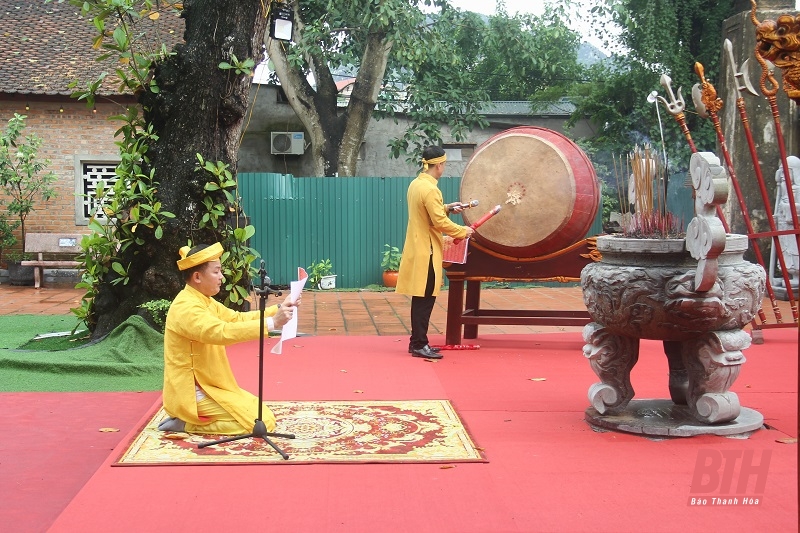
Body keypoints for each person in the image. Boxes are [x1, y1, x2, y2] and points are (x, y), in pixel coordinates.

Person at [158, 242, 298, 434]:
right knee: (256, 425)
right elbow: (221, 332)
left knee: (264, 416)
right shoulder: (186, 307)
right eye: (216, 272)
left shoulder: (203, 300)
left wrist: (279, 309)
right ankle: (187, 424)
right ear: (197, 276)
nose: (222, 277)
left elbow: (236, 318)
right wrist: (272, 323)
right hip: (192, 391)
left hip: (212, 384)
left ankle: (190, 422)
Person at [396, 146, 474, 359]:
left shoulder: (416, 184)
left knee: (420, 297)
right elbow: (439, 222)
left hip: (417, 245)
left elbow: (430, 213)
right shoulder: (431, 189)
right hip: (427, 250)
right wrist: (463, 231)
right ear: (439, 165)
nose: (443, 168)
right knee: (425, 298)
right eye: (444, 165)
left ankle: (417, 342)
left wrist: (448, 207)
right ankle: (420, 343)